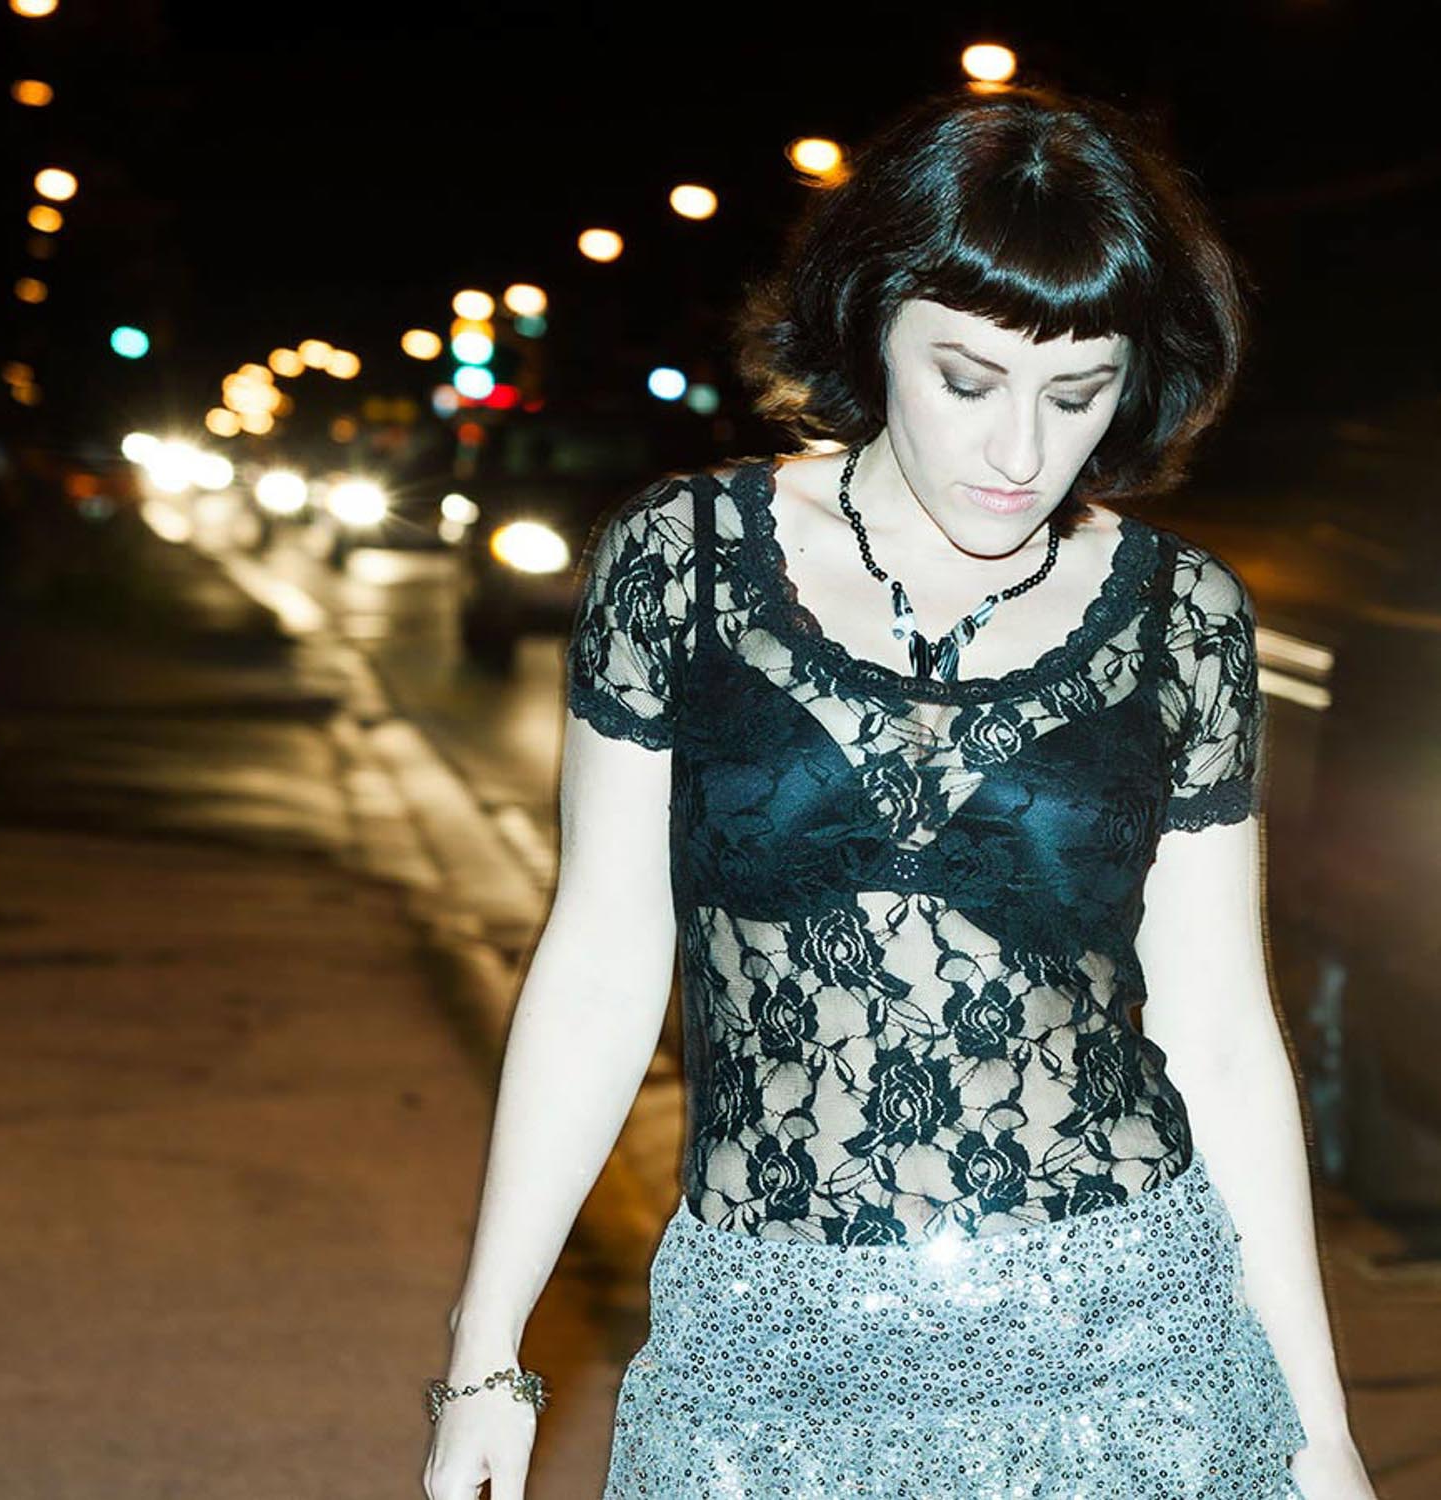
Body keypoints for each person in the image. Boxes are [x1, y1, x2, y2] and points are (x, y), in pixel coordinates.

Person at [421, 84, 1378, 1500]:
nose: (1020, 454)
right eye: (968, 381)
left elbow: (1223, 1033)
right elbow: (602, 964)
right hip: (768, 1358)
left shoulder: (1184, 618)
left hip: (1125, 1345)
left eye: (1076, 394)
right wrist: (487, 1356)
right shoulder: (683, 562)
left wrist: (1321, 1431)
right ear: (873, 327)